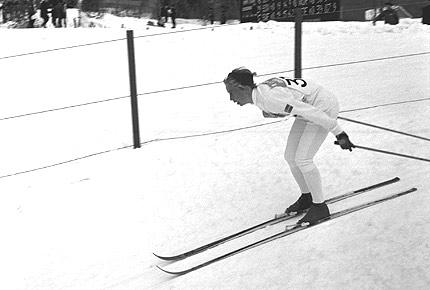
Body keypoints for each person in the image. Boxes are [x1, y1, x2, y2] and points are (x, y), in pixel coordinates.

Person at [224, 67, 355, 225]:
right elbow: (292, 102)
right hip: (307, 108)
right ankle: (307, 197)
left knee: (303, 159)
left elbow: (308, 110)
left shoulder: (269, 98)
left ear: (242, 88)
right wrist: (274, 112)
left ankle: (320, 207)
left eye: (231, 93)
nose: (231, 98)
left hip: (321, 107)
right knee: (290, 157)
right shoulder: (261, 94)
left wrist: (339, 132)